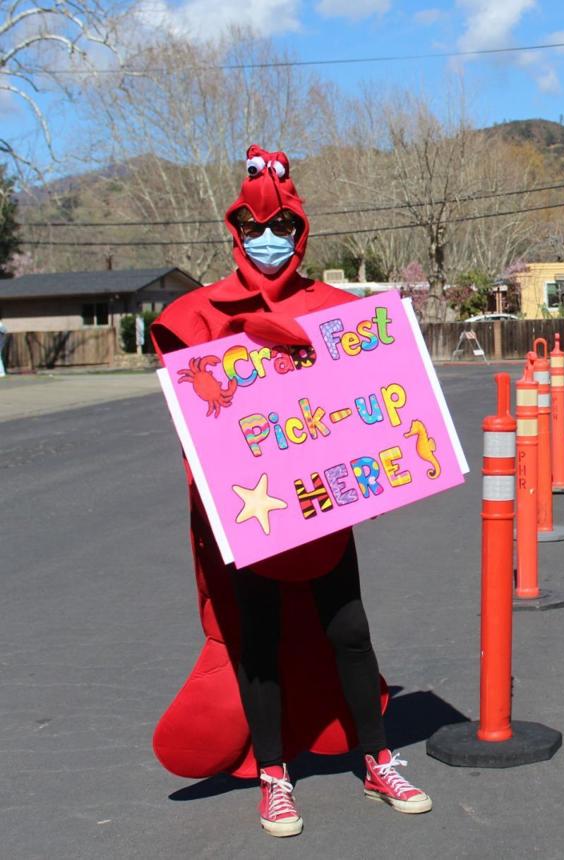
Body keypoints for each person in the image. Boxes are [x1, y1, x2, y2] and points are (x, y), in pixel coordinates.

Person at [150, 146, 431, 839]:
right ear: (236, 233)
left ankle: (377, 758)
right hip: (250, 510)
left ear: (300, 232)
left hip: (321, 504)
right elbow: (195, 413)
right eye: (254, 231)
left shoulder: (334, 309)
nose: (269, 242)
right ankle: (274, 776)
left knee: (350, 631)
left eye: (281, 230)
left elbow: (381, 391)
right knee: (261, 639)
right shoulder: (200, 313)